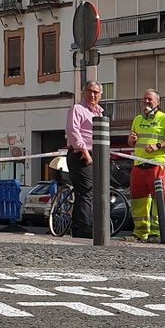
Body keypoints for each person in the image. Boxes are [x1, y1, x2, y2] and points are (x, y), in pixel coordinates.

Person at [128, 88, 165, 242]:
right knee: (138, 200)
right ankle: (140, 233)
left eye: (149, 99)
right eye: (144, 98)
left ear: (158, 102)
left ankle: (156, 233)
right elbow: (131, 143)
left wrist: (158, 145)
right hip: (139, 164)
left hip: (157, 164)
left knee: (159, 200)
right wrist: (131, 140)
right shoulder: (137, 119)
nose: (146, 101)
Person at [63, 81, 103, 238]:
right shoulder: (77, 109)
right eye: (89, 91)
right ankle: (82, 228)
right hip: (80, 155)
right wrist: (85, 153)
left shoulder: (99, 112)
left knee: (96, 190)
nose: (92, 95)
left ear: (100, 95)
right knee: (85, 191)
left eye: (96, 92)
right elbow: (73, 131)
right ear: (83, 92)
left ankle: (93, 223)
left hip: (96, 154)